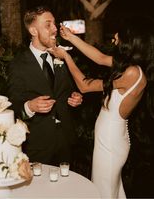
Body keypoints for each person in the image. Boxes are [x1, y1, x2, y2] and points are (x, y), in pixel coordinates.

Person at [50, 15, 154, 199]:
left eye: (119, 34)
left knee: (102, 192)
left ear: (131, 41)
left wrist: (66, 56)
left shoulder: (131, 72)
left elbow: (85, 85)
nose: (114, 35)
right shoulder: (133, 68)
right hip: (113, 137)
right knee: (112, 190)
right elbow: (99, 58)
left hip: (110, 142)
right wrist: (71, 37)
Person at [7, 6, 83, 166]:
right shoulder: (18, 64)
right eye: (48, 25)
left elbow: (69, 89)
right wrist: (30, 106)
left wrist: (75, 97)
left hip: (66, 139)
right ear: (33, 31)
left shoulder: (61, 56)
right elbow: (13, 104)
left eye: (54, 24)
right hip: (37, 143)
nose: (55, 29)